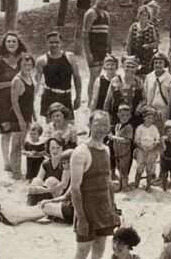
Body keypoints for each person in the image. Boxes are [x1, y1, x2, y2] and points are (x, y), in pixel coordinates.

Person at [70, 110, 120, 259]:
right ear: (90, 125)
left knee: (99, 249)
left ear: (109, 127)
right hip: (87, 210)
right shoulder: (81, 152)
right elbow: (75, 189)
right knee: (82, 251)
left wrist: (113, 210)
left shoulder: (106, 150)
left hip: (104, 209)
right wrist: (82, 218)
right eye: (97, 124)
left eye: (105, 125)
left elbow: (108, 183)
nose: (101, 128)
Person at [0, 32, 28, 172]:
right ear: (4, 44)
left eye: (14, 42)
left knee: (19, 132)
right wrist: (11, 84)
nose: (11, 44)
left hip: (19, 100)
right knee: (6, 133)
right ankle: (6, 162)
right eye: (9, 42)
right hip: (3, 102)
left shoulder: (23, 59)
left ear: (18, 44)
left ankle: (16, 160)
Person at [35, 32, 82, 121]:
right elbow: (36, 82)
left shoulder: (69, 57)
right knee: (52, 128)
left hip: (66, 95)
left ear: (61, 43)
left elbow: (77, 77)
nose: (54, 45)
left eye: (57, 42)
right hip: (49, 95)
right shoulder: (42, 60)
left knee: (69, 125)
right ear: (47, 43)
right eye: (51, 42)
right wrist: (31, 99)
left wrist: (78, 97)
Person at [8, 54, 36, 179]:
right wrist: (20, 120)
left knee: (21, 144)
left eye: (29, 64)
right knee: (16, 145)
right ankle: (15, 172)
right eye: (24, 64)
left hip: (27, 114)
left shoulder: (30, 77)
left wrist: (33, 116)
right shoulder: (17, 80)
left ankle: (18, 169)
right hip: (17, 115)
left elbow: (30, 100)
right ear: (20, 65)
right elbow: (14, 102)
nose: (27, 67)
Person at [83, 0, 112, 104]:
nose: (102, 1)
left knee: (102, 76)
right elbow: (85, 34)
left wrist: (110, 49)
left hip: (103, 49)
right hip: (94, 49)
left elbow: (108, 33)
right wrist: (88, 52)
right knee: (93, 77)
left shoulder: (106, 15)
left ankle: (98, 100)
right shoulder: (91, 13)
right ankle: (90, 102)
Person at [103, 56, 145, 128]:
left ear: (136, 69)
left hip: (133, 119)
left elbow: (144, 99)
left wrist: (140, 106)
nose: (130, 69)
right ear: (123, 67)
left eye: (133, 67)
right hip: (117, 118)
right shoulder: (115, 80)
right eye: (127, 66)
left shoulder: (139, 82)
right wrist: (107, 118)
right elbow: (107, 102)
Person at [27, 137, 70, 205]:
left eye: (58, 148)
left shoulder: (65, 162)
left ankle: (43, 205)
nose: (55, 151)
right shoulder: (46, 163)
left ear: (63, 149)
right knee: (36, 180)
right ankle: (30, 205)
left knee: (51, 180)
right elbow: (39, 179)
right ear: (48, 149)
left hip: (61, 195)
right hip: (47, 191)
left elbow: (63, 185)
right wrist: (36, 189)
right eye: (52, 148)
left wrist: (45, 190)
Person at [144, 52, 171, 134]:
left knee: (163, 133)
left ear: (165, 64)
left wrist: (168, 111)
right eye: (155, 62)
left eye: (160, 63)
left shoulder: (170, 78)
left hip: (164, 111)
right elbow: (145, 93)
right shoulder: (148, 77)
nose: (158, 65)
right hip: (150, 111)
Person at [133, 106, 161, 192]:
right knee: (139, 169)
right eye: (148, 118)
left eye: (152, 118)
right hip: (141, 151)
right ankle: (136, 185)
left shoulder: (154, 128)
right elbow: (136, 140)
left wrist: (153, 146)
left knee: (149, 170)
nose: (150, 120)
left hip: (151, 151)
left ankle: (148, 186)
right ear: (144, 117)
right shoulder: (139, 128)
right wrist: (142, 147)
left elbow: (157, 139)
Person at [126, 5, 159, 77]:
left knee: (147, 76)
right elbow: (129, 43)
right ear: (139, 16)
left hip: (147, 57)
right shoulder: (133, 27)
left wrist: (149, 46)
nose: (143, 17)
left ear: (148, 17)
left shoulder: (151, 28)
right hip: (136, 55)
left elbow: (156, 44)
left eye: (145, 15)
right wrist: (130, 57)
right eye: (141, 15)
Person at [107, 104, 133, 190]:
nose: (124, 117)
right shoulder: (117, 126)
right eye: (122, 115)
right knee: (120, 169)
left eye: (126, 115)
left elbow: (127, 140)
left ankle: (125, 186)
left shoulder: (129, 127)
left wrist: (114, 137)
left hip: (125, 153)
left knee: (124, 170)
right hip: (118, 153)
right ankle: (121, 185)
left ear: (130, 116)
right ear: (118, 115)